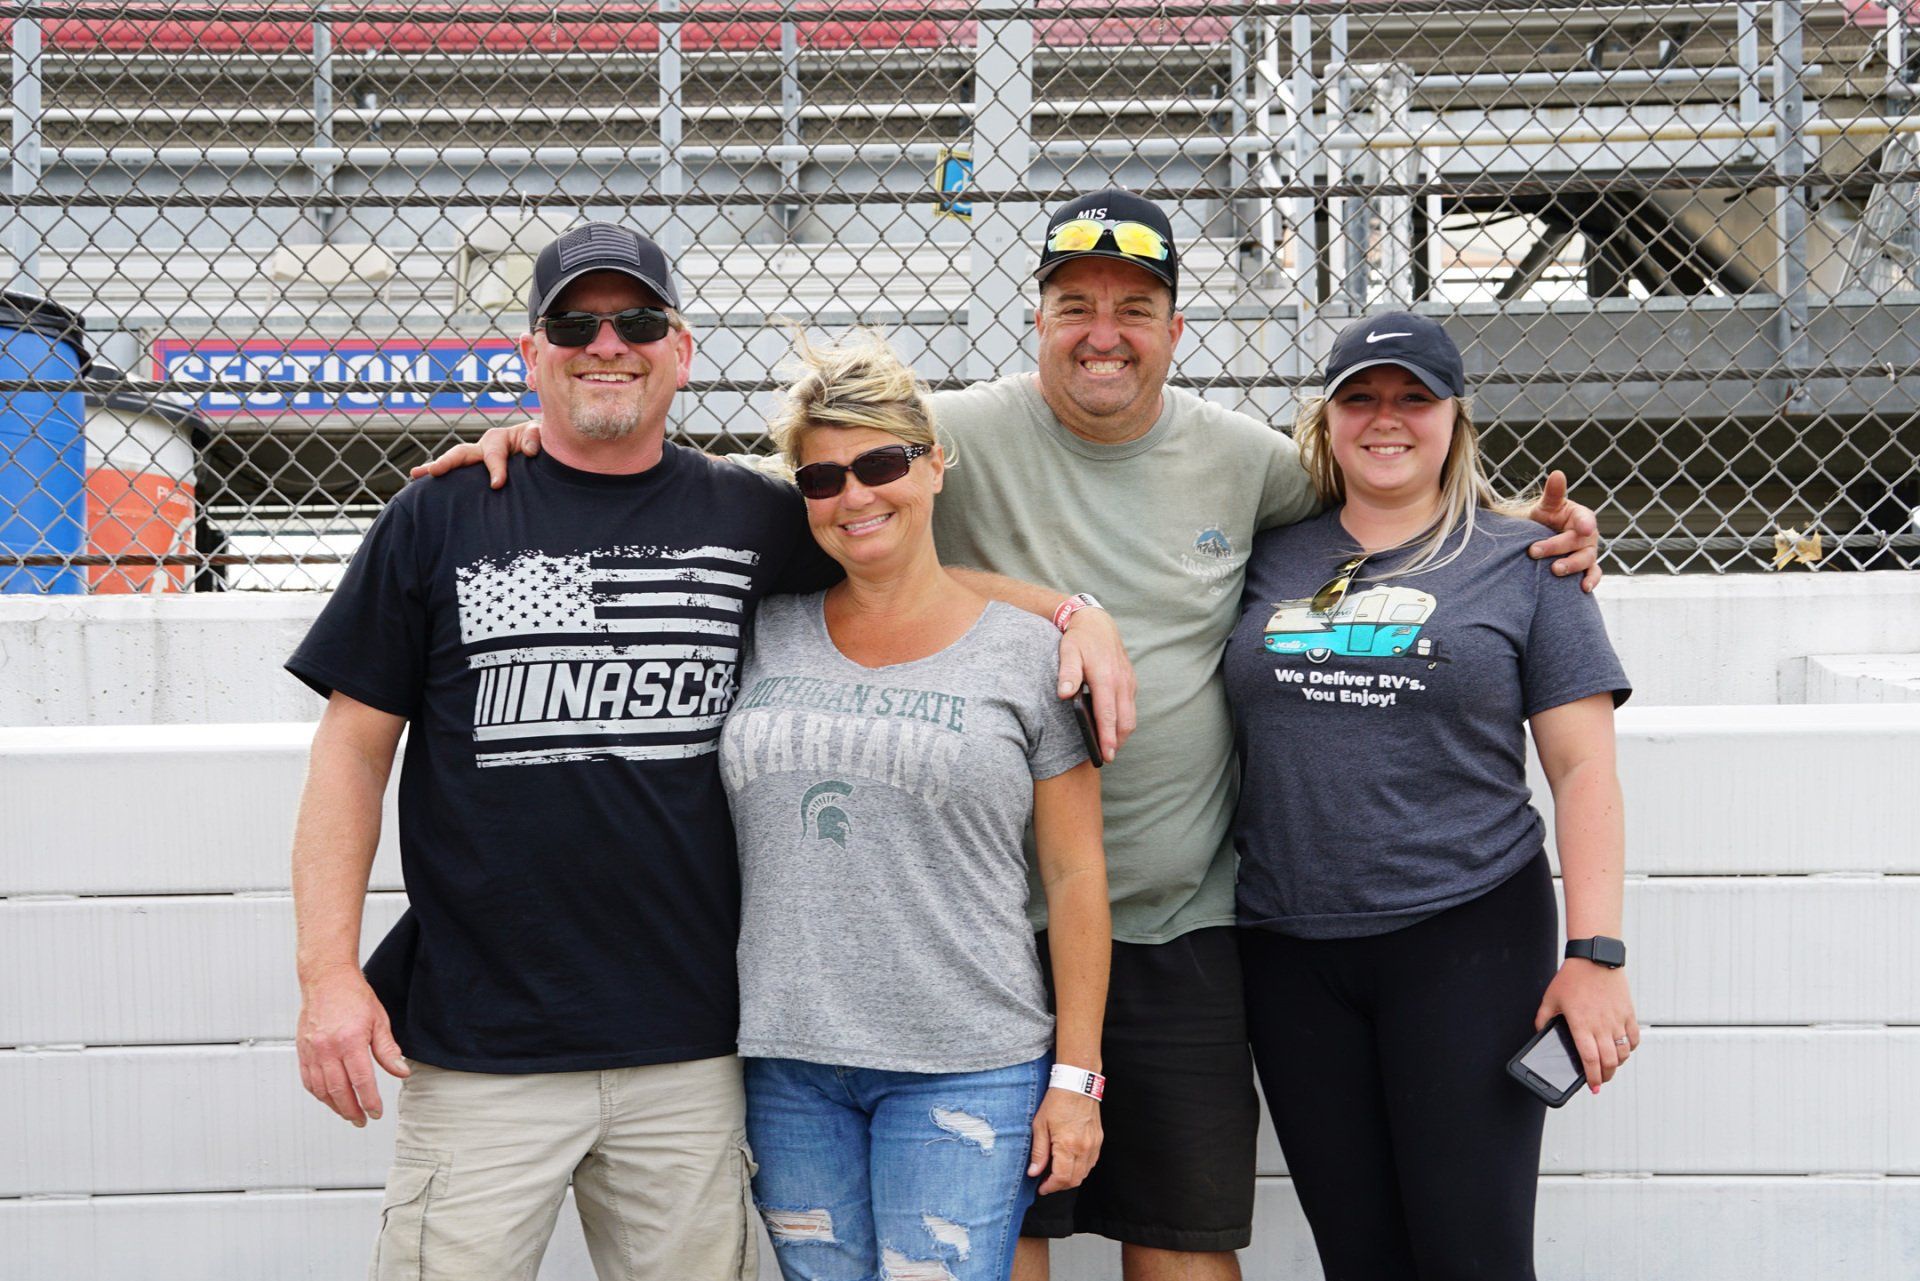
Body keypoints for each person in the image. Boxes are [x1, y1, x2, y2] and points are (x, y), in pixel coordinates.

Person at [415, 189, 1604, 1281]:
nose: (1103, 334)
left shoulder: (1247, 464)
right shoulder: (944, 435)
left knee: (1182, 1245)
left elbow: (1385, 500)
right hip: (986, 938)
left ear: (1176, 329)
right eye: (1075, 305)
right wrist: (535, 450)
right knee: (999, 1247)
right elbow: (814, 492)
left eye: (1134, 309)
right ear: (1035, 319)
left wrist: (1526, 537)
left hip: (1179, 921)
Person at [285, 221, 844, 1280]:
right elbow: (351, 753)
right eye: (574, 325)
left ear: (682, 349)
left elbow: (911, 564)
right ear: (531, 353)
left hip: (692, 1043)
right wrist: (328, 976)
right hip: (481, 1048)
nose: (607, 344)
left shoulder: (758, 518)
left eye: (637, 320)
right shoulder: (439, 514)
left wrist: (1067, 611)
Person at [1227, 312, 1636, 1280]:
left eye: (1415, 397)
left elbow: (1584, 769)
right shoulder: (1264, 553)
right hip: (1289, 948)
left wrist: (1596, 955)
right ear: (1326, 419)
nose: (1387, 418)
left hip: (1466, 937)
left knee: (1471, 1255)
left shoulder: (1528, 562)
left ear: (1456, 418)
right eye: (1361, 398)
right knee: (1359, 1257)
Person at [720, 330, 1111, 1280]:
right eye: (822, 479)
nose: (855, 495)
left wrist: (1078, 1078)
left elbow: (1075, 874)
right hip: (786, 1061)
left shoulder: (1027, 653)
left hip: (967, 1058)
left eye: (881, 464)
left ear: (935, 465)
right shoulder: (762, 628)